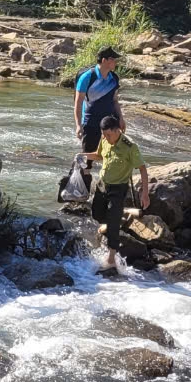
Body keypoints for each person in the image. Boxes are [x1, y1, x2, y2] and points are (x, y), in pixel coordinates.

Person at [82, 115, 149, 272]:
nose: (106, 138)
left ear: (117, 130)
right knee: (96, 214)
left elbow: (143, 169)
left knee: (112, 225)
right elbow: (99, 156)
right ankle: (118, 215)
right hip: (102, 185)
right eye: (104, 135)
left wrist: (144, 194)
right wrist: (83, 155)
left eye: (109, 135)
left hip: (118, 188)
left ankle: (111, 258)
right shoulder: (104, 139)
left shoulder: (130, 147)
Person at [74, 47, 124, 155]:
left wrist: (121, 118)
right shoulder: (87, 77)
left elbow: (115, 100)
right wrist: (78, 125)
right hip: (90, 122)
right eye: (113, 59)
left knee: (110, 155)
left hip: (109, 123)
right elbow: (78, 103)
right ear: (104, 60)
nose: (115, 62)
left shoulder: (114, 78)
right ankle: (79, 171)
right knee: (87, 157)